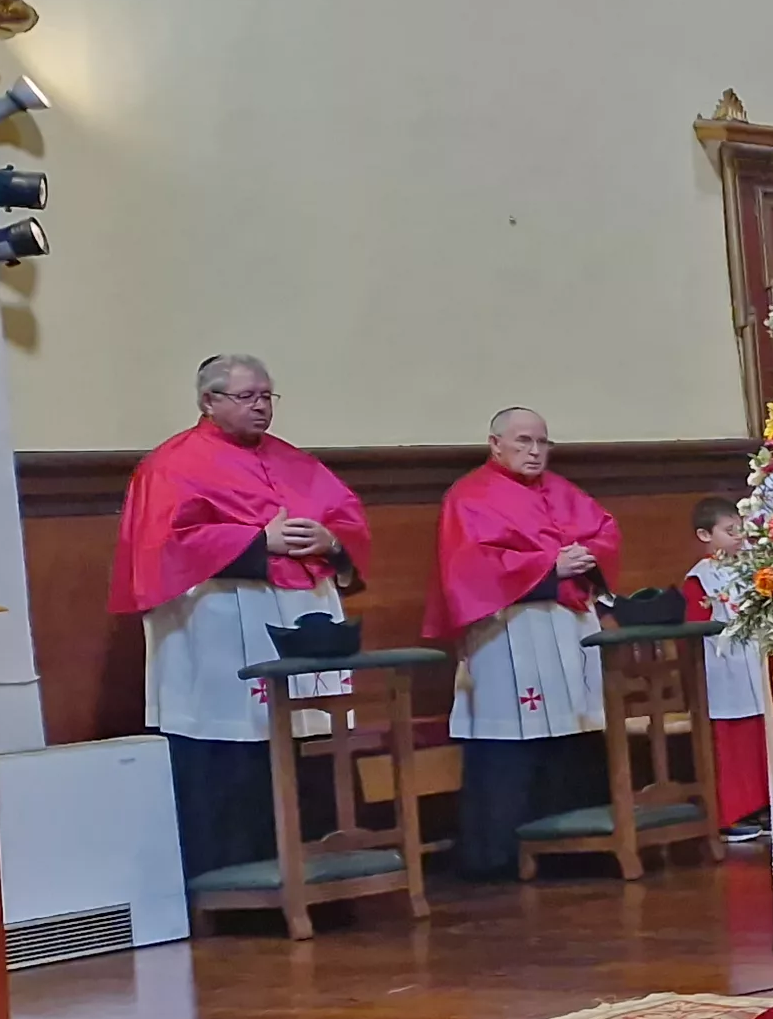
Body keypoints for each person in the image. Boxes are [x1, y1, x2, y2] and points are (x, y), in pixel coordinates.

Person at [110, 355, 374, 879]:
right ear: (209, 401)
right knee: (233, 743)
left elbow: (345, 515)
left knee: (306, 737)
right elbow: (162, 544)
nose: (261, 407)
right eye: (248, 396)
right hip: (219, 620)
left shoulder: (296, 461)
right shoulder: (171, 464)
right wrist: (256, 541)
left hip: (301, 615)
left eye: (267, 396)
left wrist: (332, 540)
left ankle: (326, 873)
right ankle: (230, 881)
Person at [429, 407, 620, 880]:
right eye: (523, 442)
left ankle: (577, 847)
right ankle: (498, 854)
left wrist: (588, 555)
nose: (535, 452)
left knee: (573, 735)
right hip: (507, 632)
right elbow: (468, 567)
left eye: (542, 442)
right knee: (510, 741)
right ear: (495, 444)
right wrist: (548, 566)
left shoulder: (562, 490)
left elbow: (604, 530)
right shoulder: (470, 495)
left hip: (568, 628)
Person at [674, 497, 772, 849]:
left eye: (741, 529)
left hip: (755, 662)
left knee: (762, 739)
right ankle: (731, 815)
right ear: (705, 535)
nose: (739, 537)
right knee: (731, 745)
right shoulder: (699, 578)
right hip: (723, 671)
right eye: (729, 531)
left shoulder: (751, 568)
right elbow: (694, 628)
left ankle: (764, 807)